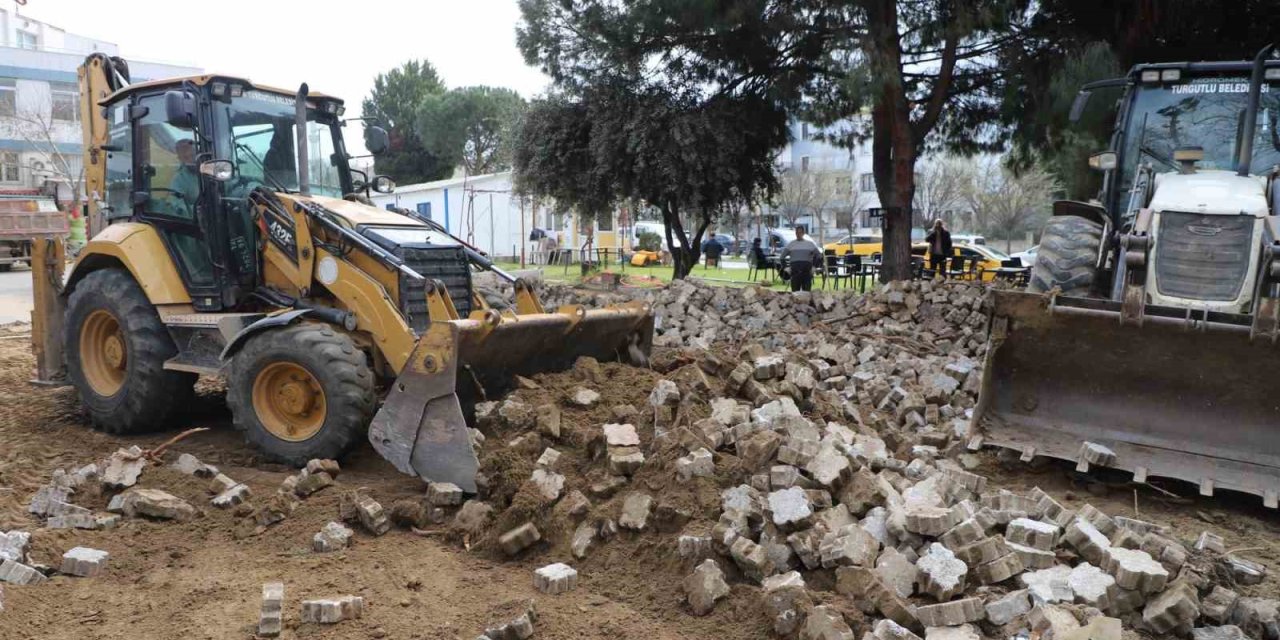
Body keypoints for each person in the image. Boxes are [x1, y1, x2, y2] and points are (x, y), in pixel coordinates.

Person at [779, 225, 823, 292]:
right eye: (797, 233)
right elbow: (782, 257)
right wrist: (785, 267)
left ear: (803, 233)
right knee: (795, 294)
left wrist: (814, 267)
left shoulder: (810, 244)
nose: (798, 234)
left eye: (800, 233)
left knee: (806, 294)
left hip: (807, 272)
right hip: (795, 273)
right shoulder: (791, 244)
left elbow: (819, 256)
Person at [169, 138, 201, 215]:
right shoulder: (179, 180)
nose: (191, 160)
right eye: (186, 157)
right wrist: (198, 210)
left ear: (198, 154)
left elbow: (228, 186)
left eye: (193, 155)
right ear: (180, 159)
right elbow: (177, 205)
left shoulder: (211, 168)